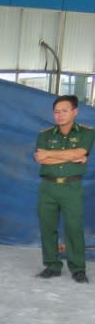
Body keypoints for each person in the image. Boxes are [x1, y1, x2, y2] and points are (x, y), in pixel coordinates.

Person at [33, 95, 94, 283]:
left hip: (71, 187)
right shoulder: (45, 135)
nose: (59, 115)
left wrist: (51, 154)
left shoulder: (86, 133)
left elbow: (80, 152)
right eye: (56, 112)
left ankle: (78, 268)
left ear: (75, 112)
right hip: (48, 186)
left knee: (74, 227)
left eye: (64, 111)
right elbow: (40, 159)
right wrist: (70, 156)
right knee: (48, 226)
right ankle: (52, 265)